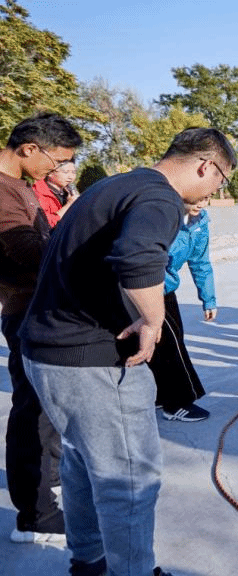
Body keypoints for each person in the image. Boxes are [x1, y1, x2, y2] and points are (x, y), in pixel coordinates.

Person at [21, 126, 235, 576]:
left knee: (83, 463)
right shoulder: (160, 198)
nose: (217, 190)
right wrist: (153, 321)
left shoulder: (117, 185)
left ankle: (89, 561)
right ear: (206, 166)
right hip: (92, 361)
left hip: (47, 351)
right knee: (130, 480)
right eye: (222, 180)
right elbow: (138, 258)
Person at [1, 113, 81, 545]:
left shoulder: (19, 186)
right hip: (25, 312)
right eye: (56, 160)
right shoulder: (2, 191)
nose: (58, 169)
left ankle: (47, 484)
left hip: (37, 308)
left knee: (46, 410)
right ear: (29, 148)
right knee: (32, 412)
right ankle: (35, 516)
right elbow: (30, 251)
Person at [150, 198, 217, 422]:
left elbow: (200, 262)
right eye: (196, 198)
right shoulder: (161, 217)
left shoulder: (200, 222)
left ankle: (161, 395)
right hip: (146, 288)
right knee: (171, 343)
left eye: (206, 197)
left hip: (166, 288)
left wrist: (208, 299)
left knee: (166, 341)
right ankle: (177, 403)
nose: (201, 203)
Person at [31, 158, 78, 228]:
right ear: (50, 172)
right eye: (66, 172)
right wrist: (69, 205)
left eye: (73, 172)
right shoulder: (38, 193)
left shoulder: (69, 192)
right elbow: (45, 224)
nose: (71, 177)